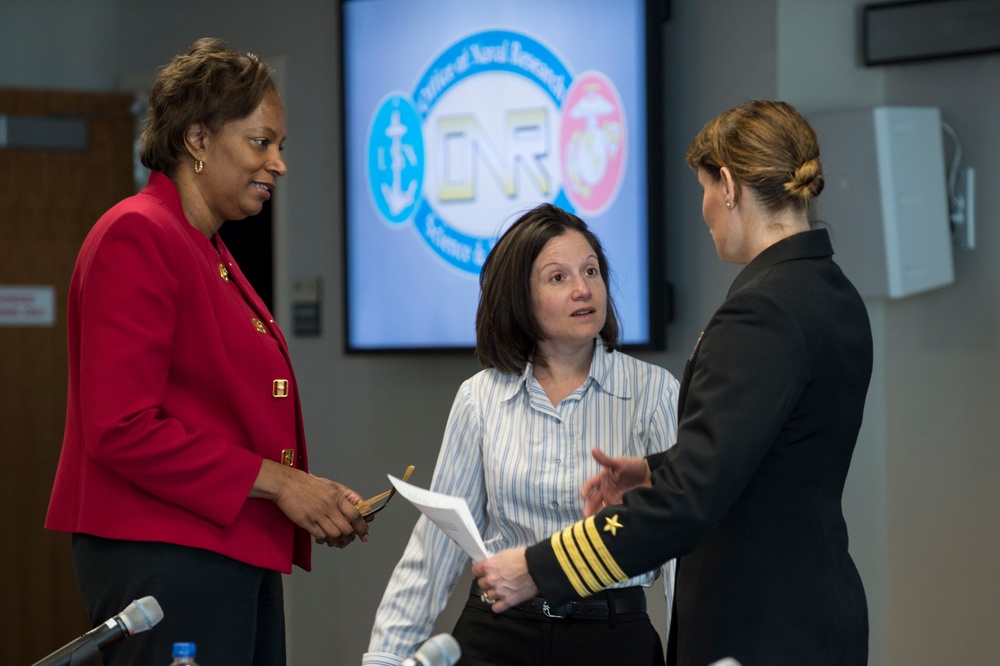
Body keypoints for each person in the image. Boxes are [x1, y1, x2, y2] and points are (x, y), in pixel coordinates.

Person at [472, 100, 874, 665]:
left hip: (759, 626)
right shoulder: (832, 291)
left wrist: (540, 567)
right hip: (812, 613)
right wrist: (654, 469)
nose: (706, 210)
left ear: (728, 185)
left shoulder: (761, 311)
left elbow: (691, 503)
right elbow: (761, 450)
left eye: (705, 189)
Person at [44, 38, 370, 666]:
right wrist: (279, 485)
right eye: (260, 142)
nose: (278, 163)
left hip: (221, 548)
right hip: (166, 556)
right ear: (196, 139)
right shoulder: (138, 233)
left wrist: (304, 491)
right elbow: (121, 428)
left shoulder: (203, 246)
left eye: (280, 146)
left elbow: (219, 412)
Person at [363, 203, 680, 666]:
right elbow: (436, 548)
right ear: (520, 298)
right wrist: (385, 658)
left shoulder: (652, 392)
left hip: (610, 636)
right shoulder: (479, 398)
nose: (583, 288)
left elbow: (679, 552)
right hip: (497, 634)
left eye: (591, 271)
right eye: (558, 278)